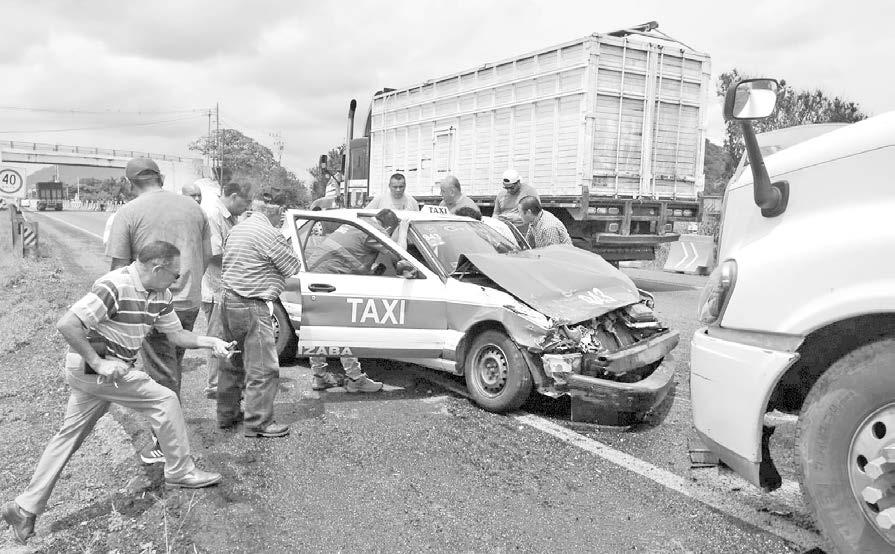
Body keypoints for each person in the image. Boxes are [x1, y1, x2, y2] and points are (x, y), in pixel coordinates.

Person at [1, 242, 232, 545]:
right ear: (157, 268)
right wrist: (99, 362)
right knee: (165, 399)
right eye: (175, 275)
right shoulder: (116, 285)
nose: (177, 281)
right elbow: (68, 324)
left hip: (100, 373)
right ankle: (180, 471)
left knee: (69, 436)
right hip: (94, 367)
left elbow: (176, 335)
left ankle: (24, 509)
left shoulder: (160, 294)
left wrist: (210, 342)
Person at [106, 157, 211, 465]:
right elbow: (206, 256)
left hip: (151, 304)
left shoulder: (128, 212)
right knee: (172, 367)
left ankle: (167, 445)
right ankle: (166, 436)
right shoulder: (194, 208)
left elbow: (118, 268)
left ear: (130, 184)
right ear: (161, 178)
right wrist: (189, 286)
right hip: (189, 301)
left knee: (162, 376)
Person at [218, 211, 301, 438]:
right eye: (281, 212)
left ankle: (227, 414)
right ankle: (258, 422)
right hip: (252, 303)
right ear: (272, 209)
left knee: (231, 361)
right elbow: (292, 266)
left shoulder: (237, 229)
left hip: (228, 300)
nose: (282, 218)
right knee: (263, 367)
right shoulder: (270, 234)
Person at [304, 209, 403, 393]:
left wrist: (369, 272)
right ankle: (355, 379)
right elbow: (398, 254)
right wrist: (402, 233)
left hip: (314, 278)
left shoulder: (355, 225)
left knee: (319, 331)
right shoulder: (375, 230)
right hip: (333, 281)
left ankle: (319, 377)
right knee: (343, 331)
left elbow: (350, 256)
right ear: (389, 227)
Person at [201, 181, 253, 399]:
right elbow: (214, 253)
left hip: (227, 287)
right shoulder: (214, 215)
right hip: (216, 288)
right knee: (217, 337)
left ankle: (226, 383)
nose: (247, 206)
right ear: (233, 196)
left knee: (228, 337)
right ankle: (215, 386)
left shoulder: (231, 217)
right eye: (246, 201)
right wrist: (243, 261)